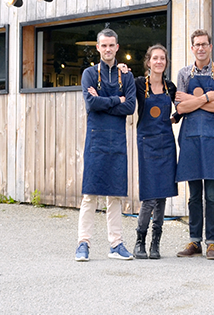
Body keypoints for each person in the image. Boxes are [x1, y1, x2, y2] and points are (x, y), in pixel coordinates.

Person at [75, 28, 137, 262]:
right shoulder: (89, 74)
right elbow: (91, 104)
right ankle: (83, 243)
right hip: (96, 140)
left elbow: (130, 107)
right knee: (90, 195)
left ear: (117, 47)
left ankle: (116, 244)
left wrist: (105, 101)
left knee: (115, 196)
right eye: (104, 45)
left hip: (117, 142)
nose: (108, 49)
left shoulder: (127, 77)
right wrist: (116, 100)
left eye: (112, 45)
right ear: (98, 47)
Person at [174, 29, 214, 260]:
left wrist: (191, 100)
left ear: (210, 46)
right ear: (192, 47)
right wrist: (207, 97)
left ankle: (212, 243)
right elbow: (179, 108)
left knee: (213, 197)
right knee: (194, 196)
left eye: (204, 44)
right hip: (191, 140)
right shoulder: (184, 73)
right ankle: (194, 241)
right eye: (197, 44)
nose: (201, 48)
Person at [131, 44, 178, 259]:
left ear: (166, 63)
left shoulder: (171, 87)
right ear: (148, 62)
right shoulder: (140, 84)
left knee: (162, 197)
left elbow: (183, 106)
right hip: (147, 143)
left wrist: (175, 118)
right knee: (150, 196)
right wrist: (121, 70)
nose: (159, 62)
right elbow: (124, 90)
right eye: (155, 58)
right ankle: (140, 240)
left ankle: (155, 243)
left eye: (162, 59)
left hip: (167, 143)